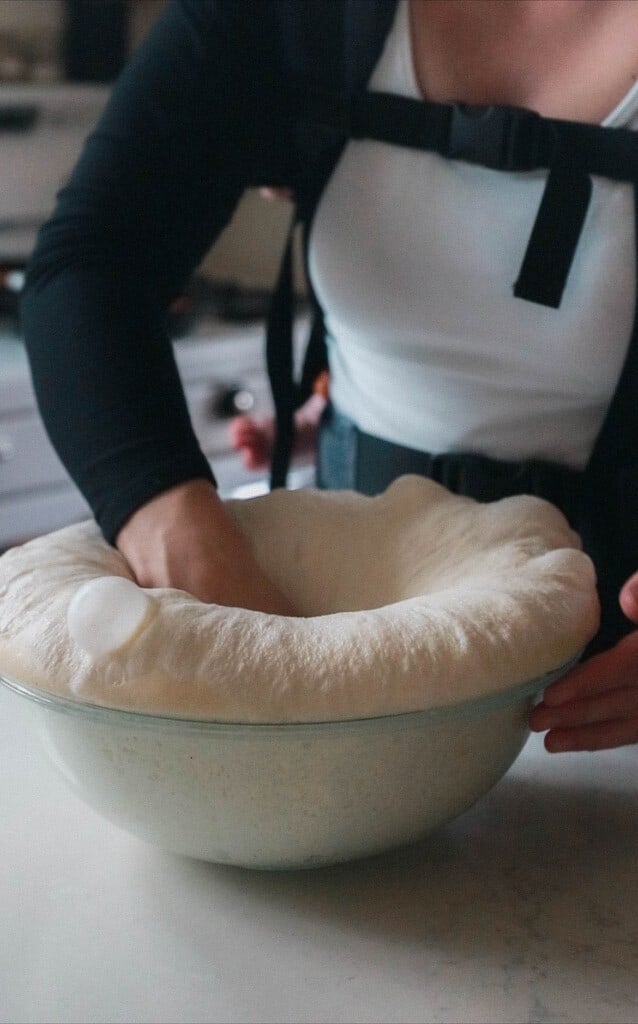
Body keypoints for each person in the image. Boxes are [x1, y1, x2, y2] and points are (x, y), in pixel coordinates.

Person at [20, 0, 638, 753]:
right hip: (337, 605)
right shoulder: (300, 16)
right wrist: (179, 530)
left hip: (608, 675)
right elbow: (90, 266)